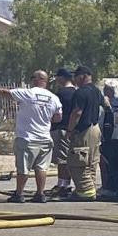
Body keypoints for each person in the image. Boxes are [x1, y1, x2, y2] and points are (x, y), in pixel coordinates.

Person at [0, 72, 63, 202]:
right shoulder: (54, 98)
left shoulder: (28, 93)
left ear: (36, 80)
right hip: (44, 137)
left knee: (23, 167)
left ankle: (19, 193)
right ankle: (40, 193)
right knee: (42, 168)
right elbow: (58, 117)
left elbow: (6, 93)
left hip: (27, 137)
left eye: (32, 78)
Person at [61, 67, 106, 200]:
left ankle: (85, 191)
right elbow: (105, 104)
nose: (74, 79)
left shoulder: (80, 92)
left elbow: (77, 113)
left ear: (83, 76)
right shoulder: (96, 91)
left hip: (83, 130)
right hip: (95, 128)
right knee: (91, 161)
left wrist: (69, 130)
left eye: (76, 76)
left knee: (77, 161)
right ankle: (88, 188)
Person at [50, 69, 77, 197]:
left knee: (62, 159)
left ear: (62, 78)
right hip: (74, 129)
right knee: (68, 157)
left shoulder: (60, 94)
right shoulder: (77, 93)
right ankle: (64, 183)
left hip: (61, 128)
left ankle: (63, 185)